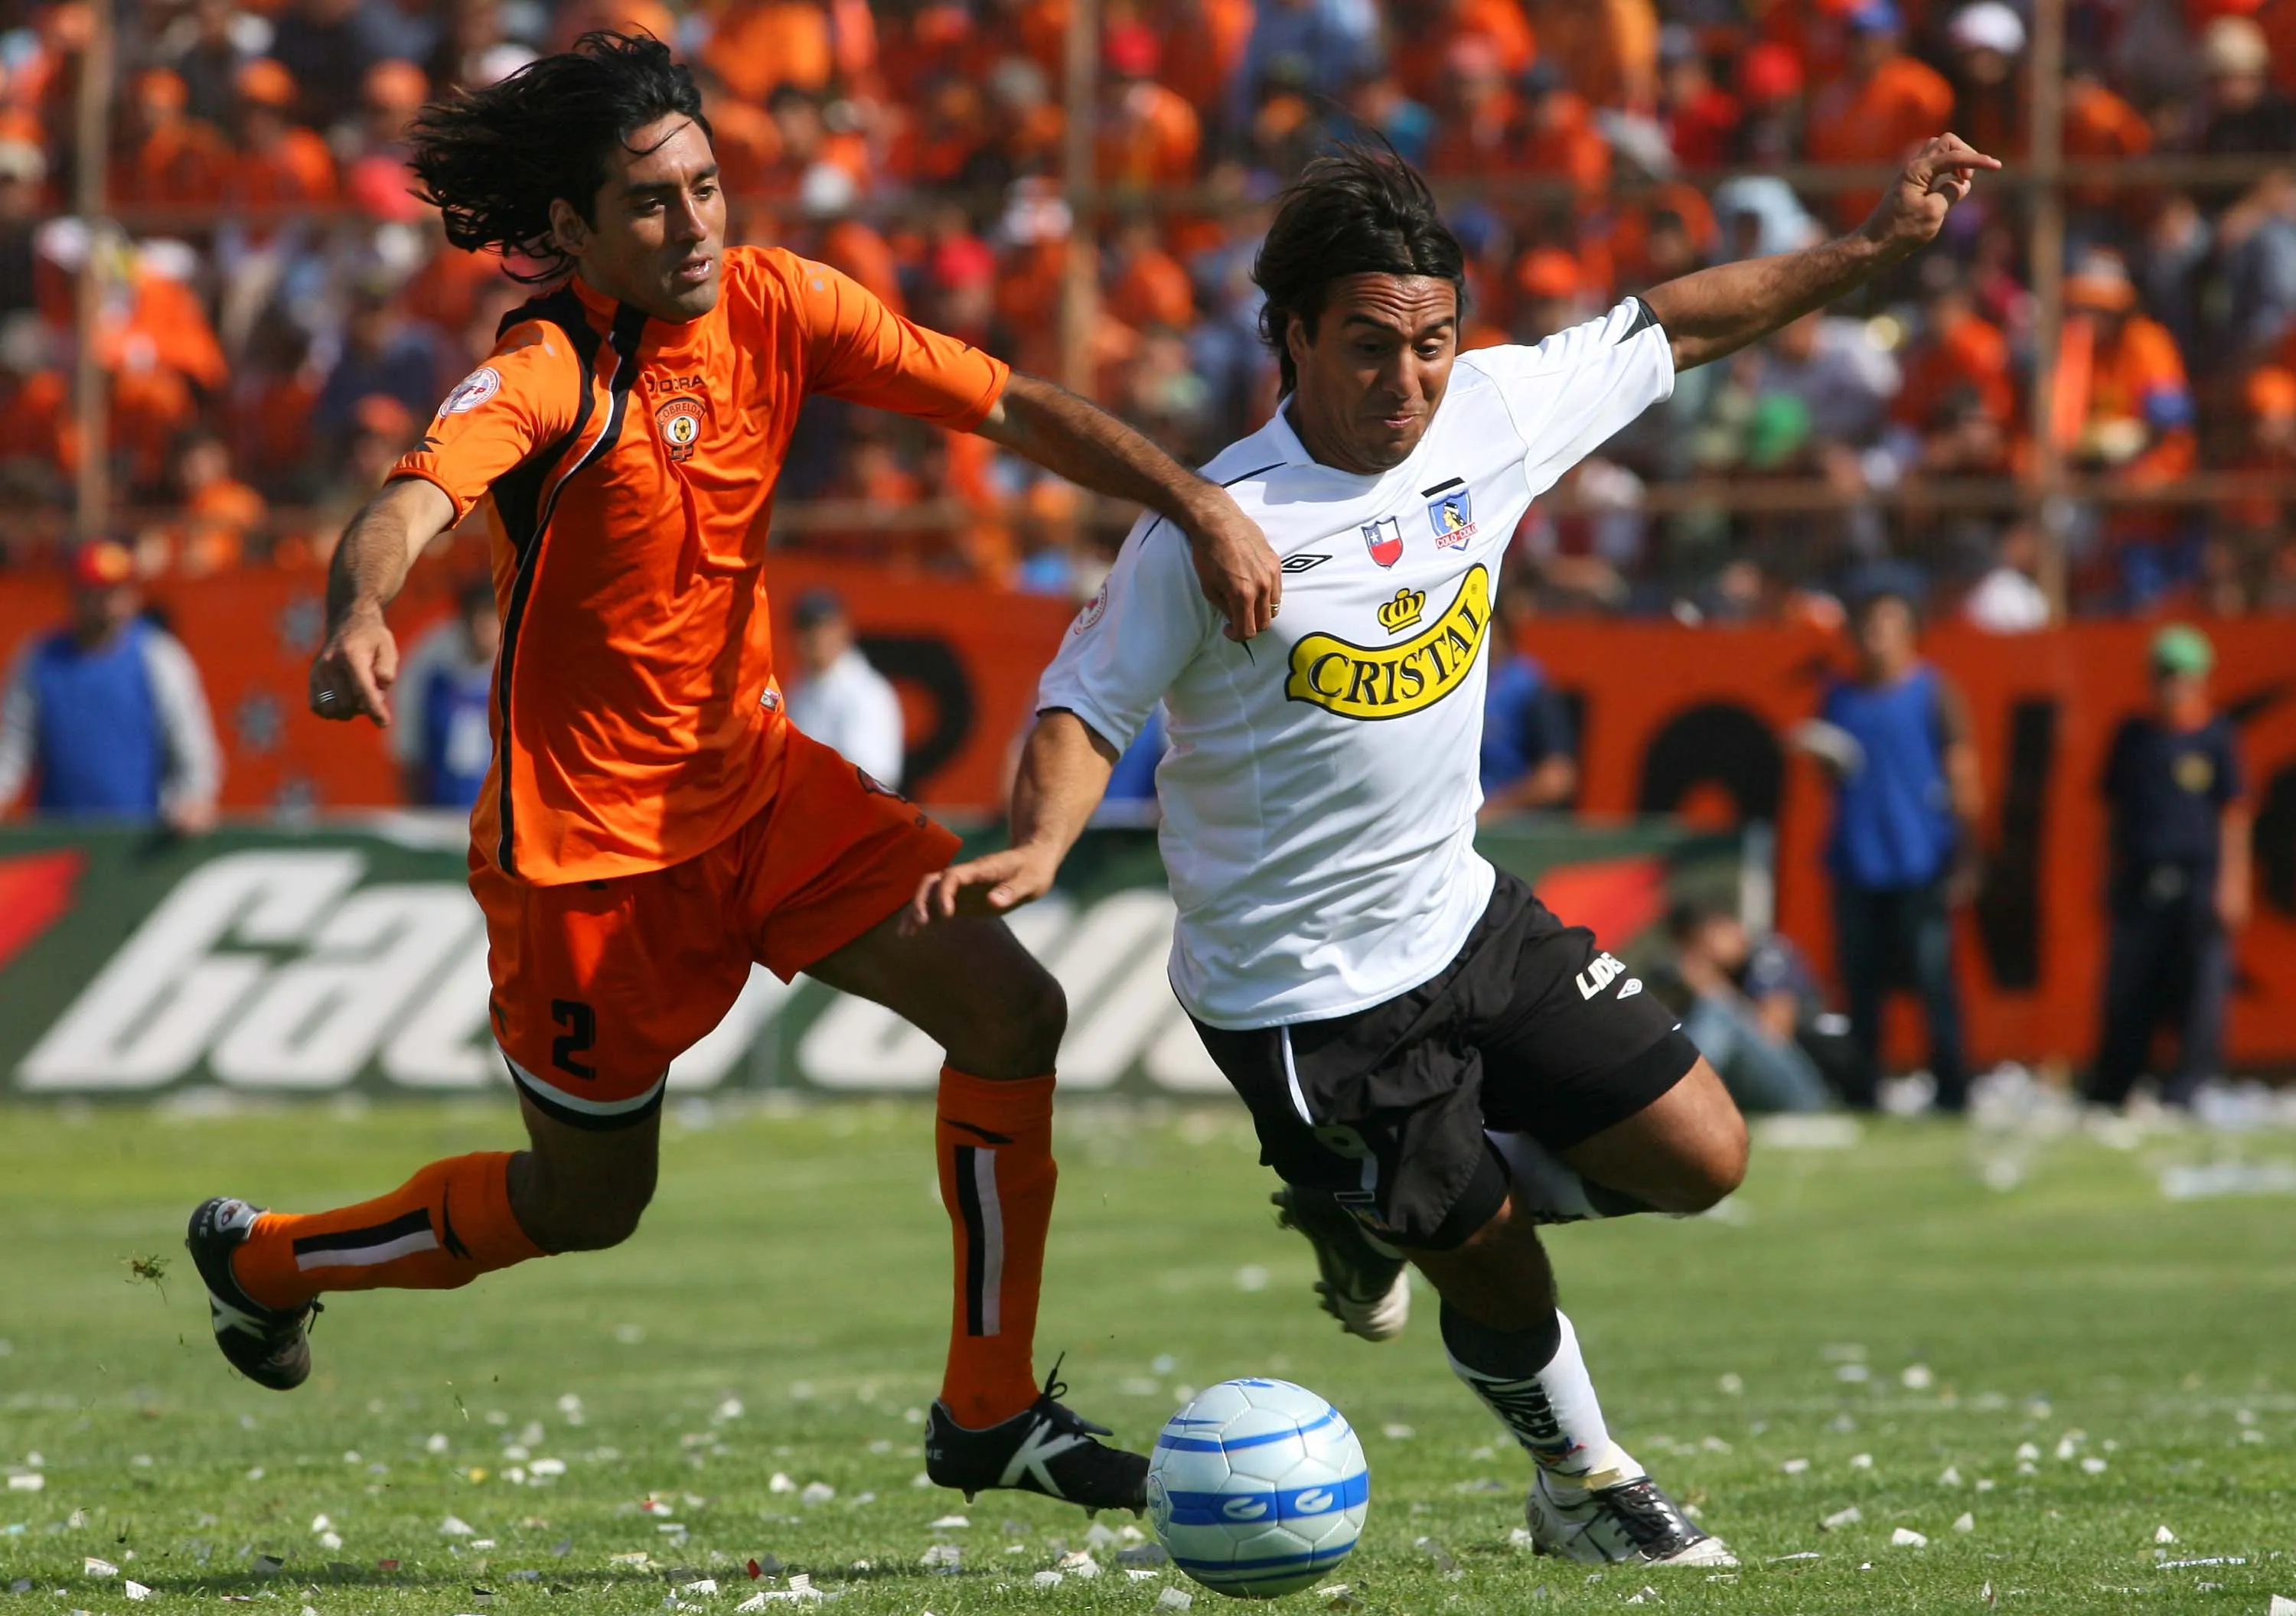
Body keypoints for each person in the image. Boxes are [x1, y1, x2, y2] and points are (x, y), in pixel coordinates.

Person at [180, 32, 1281, 1517]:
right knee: (589, 1205)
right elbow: (413, 498)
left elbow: (1007, 405)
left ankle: (989, 1408)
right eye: (651, 202)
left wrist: (1196, 498)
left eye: (705, 186)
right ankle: (265, 1262)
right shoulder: (547, 369)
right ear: (572, 230)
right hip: (589, 868)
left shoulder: (780, 303)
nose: (694, 223)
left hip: (762, 791)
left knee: (1011, 1008)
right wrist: (358, 611)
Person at [915, 132, 1998, 1566]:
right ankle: (1584, 1484)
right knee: (1491, 1255)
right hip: (1306, 995)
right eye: (1370, 347)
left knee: (1706, 1154)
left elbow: (1675, 325)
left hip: (1464, 917)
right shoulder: (1212, 525)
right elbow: (1083, 705)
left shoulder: (1489, 415)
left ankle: (1381, 1214)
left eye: (1431, 345)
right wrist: (1044, 844)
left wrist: (1865, 251)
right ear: (1295, 336)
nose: (1408, 381)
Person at [1796, 585, 1981, 1113]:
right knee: (1859, 984)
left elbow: (1963, 772)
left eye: (1886, 623)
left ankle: (1952, 1088)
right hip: (1857, 860)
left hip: (1920, 859)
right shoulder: (1839, 696)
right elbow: (1833, 776)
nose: (1874, 635)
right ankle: (1864, 1090)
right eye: (1866, 624)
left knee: (1933, 981)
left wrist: (1968, 853)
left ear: (1910, 633)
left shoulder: (1933, 692)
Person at [2086, 626, 2251, 1110]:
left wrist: (2233, 883)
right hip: (2141, 879)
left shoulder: (2216, 737)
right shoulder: (2134, 736)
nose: (2174, 686)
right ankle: (2116, 1085)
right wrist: (2106, 874)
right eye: (2165, 675)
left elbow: (2234, 815)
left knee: (2199, 990)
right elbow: (2112, 815)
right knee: (2129, 988)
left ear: (2201, 680)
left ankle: (2189, 1087)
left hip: (2199, 879)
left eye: (2183, 675)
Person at [0, 539, 221, 831]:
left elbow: (193, 747)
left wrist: (193, 800)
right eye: (95, 593)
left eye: (116, 592)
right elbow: (12, 749)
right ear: (75, 596)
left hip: (140, 838)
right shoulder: (39, 660)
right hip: (59, 835)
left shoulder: (159, 658)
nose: (107, 604)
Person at [1662, 901, 1838, 1114]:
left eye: (1701, 942)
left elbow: (1775, 1034)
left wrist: (1714, 989)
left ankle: (1675, 1096)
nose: (1699, 955)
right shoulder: (1697, 978)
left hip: (1805, 1088)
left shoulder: (1769, 955)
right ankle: (1671, 1093)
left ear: (1727, 927)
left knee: (1717, 1011)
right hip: (1747, 1093)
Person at [391, 575, 501, 808]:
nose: (481, 627)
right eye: (474, 616)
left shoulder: (515, 688)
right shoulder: (434, 683)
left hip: (498, 815)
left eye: (490, 617)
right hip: (440, 812)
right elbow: (411, 755)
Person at [784, 588, 906, 790]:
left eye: (824, 628)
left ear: (843, 630)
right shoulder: (798, 688)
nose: (815, 638)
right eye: (805, 629)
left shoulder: (867, 693)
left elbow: (872, 782)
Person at [1479, 578, 1577, 819]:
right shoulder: (1438, 685)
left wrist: (1493, 810)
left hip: (1507, 824)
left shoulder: (1529, 687)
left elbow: (1557, 777)